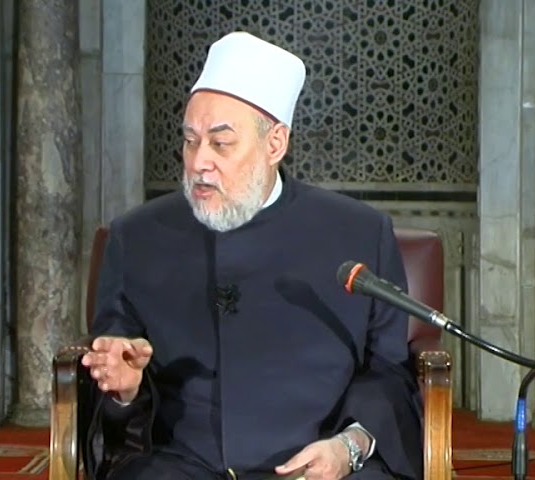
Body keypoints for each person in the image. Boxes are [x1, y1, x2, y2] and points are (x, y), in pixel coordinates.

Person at [80, 31, 423, 480]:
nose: (199, 162)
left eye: (220, 143)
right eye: (190, 140)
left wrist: (348, 448)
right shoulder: (138, 236)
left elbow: (389, 372)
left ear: (275, 144)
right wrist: (122, 390)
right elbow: (113, 382)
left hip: (321, 467)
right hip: (179, 465)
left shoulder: (358, 232)